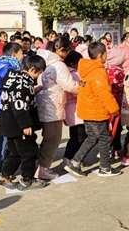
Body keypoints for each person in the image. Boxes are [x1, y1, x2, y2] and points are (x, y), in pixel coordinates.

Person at [65, 42, 122, 178]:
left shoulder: (86, 69)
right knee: (104, 138)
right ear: (101, 55)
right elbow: (104, 94)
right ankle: (105, 167)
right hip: (96, 111)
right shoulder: (98, 72)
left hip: (87, 110)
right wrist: (114, 109)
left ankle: (75, 162)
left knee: (92, 138)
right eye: (106, 53)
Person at [0, 55, 49, 191]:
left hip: (8, 123)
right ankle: (27, 180)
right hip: (19, 125)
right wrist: (26, 125)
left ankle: (4, 175)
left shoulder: (14, 79)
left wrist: (33, 90)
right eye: (39, 73)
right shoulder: (22, 83)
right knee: (29, 152)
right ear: (32, 69)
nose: (38, 77)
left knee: (16, 152)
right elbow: (19, 106)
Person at [35, 36, 79, 180]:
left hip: (46, 103)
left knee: (48, 138)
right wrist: (85, 88)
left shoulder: (44, 59)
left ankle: (40, 166)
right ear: (61, 50)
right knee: (52, 139)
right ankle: (43, 168)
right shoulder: (58, 65)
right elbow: (70, 86)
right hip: (53, 106)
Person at [0, 42, 24, 176]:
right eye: (21, 53)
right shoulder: (9, 69)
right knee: (5, 136)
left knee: (5, 134)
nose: (23, 56)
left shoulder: (0, 64)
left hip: (1, 104)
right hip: (5, 106)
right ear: (14, 54)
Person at [61, 51, 85, 167]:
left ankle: (72, 157)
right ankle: (69, 158)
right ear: (73, 63)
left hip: (72, 107)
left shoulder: (67, 72)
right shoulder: (74, 74)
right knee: (79, 135)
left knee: (76, 134)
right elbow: (77, 90)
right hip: (75, 108)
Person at [105, 46, 126, 161]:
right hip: (116, 104)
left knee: (107, 128)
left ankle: (108, 150)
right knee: (116, 128)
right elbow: (120, 87)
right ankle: (115, 148)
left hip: (106, 105)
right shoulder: (118, 72)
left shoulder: (105, 70)